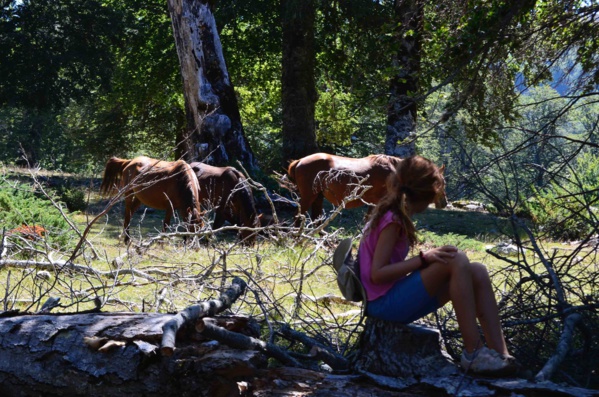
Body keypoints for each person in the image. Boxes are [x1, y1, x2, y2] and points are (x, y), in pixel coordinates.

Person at [358, 155, 516, 375]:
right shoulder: (392, 220)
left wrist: (425, 260)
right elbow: (377, 274)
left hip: (388, 299)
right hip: (382, 306)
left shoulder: (394, 213)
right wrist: (424, 259)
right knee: (457, 259)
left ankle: (502, 356)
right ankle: (473, 352)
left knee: (477, 271)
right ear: (423, 194)